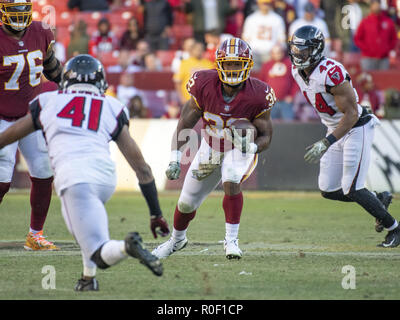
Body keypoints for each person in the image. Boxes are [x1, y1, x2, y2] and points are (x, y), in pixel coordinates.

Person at [0, 55, 169, 290]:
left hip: (74, 177)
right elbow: (142, 168)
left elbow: (13, 133)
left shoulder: (49, 101)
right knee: (86, 228)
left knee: (98, 250)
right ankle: (88, 279)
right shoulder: (111, 105)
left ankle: (126, 247)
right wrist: (156, 213)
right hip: (105, 178)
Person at [152, 38, 275, 260]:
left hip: (239, 147)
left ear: (247, 65)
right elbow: (185, 124)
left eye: (237, 64)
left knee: (231, 175)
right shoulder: (203, 84)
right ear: (219, 64)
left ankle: (231, 240)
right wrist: (174, 159)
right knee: (186, 202)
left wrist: (252, 146)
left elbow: (267, 135)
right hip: (211, 145)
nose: (233, 68)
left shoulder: (258, 94)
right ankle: (176, 241)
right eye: (228, 64)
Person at [288, 25, 399, 247]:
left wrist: (326, 142)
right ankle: (378, 200)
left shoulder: (332, 73)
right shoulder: (295, 71)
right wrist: (329, 137)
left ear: (317, 50)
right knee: (328, 189)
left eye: (304, 50)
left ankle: (394, 228)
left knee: (352, 187)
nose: (298, 54)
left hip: (356, 127)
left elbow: (352, 114)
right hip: (335, 128)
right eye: (296, 49)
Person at [0, 0, 64, 250]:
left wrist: (69, 84)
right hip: (2, 116)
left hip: (30, 117)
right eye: (14, 10)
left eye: (23, 10)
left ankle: (35, 235)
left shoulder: (41, 32)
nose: (19, 16)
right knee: (3, 180)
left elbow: (51, 67)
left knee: (44, 171)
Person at [241, 0, 286, 70]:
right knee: (254, 77)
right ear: (258, 4)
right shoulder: (251, 18)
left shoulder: (277, 19)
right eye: (263, 3)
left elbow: (281, 40)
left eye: (267, 3)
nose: (265, 6)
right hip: (254, 52)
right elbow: (245, 39)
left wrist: (277, 51)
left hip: (270, 53)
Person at [354, 0, 397, 71]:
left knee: (384, 79)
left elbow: (393, 38)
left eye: (377, 4)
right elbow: (357, 39)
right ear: (371, 6)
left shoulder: (388, 22)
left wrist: (387, 49)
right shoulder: (365, 22)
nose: (376, 6)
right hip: (368, 58)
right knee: (368, 79)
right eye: (374, 4)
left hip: (383, 58)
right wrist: (367, 48)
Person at [259, 44, 297, 121]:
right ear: (271, 53)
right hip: (271, 102)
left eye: (279, 52)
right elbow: (261, 82)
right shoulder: (266, 65)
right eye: (274, 53)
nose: (277, 55)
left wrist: (292, 96)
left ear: (283, 52)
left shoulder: (289, 64)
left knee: (289, 124)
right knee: (271, 125)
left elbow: (295, 82)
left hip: (286, 102)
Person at [173, 41, 214, 105]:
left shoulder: (209, 64)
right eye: (197, 49)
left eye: (201, 49)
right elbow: (178, 82)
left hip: (205, 101)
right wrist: (181, 98)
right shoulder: (184, 63)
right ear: (191, 50)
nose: (199, 51)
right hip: (188, 100)